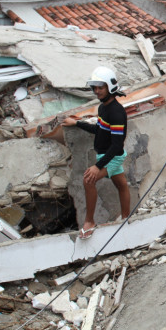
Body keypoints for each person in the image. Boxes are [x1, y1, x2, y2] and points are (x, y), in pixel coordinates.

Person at [62, 66, 131, 238]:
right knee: (121, 184)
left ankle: (89, 222)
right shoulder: (103, 108)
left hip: (112, 156)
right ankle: (126, 217)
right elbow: (99, 130)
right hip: (105, 154)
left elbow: (116, 145)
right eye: (95, 88)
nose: (97, 91)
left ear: (109, 87)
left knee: (88, 179)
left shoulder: (116, 112)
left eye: (101, 87)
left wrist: (97, 166)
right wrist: (77, 123)